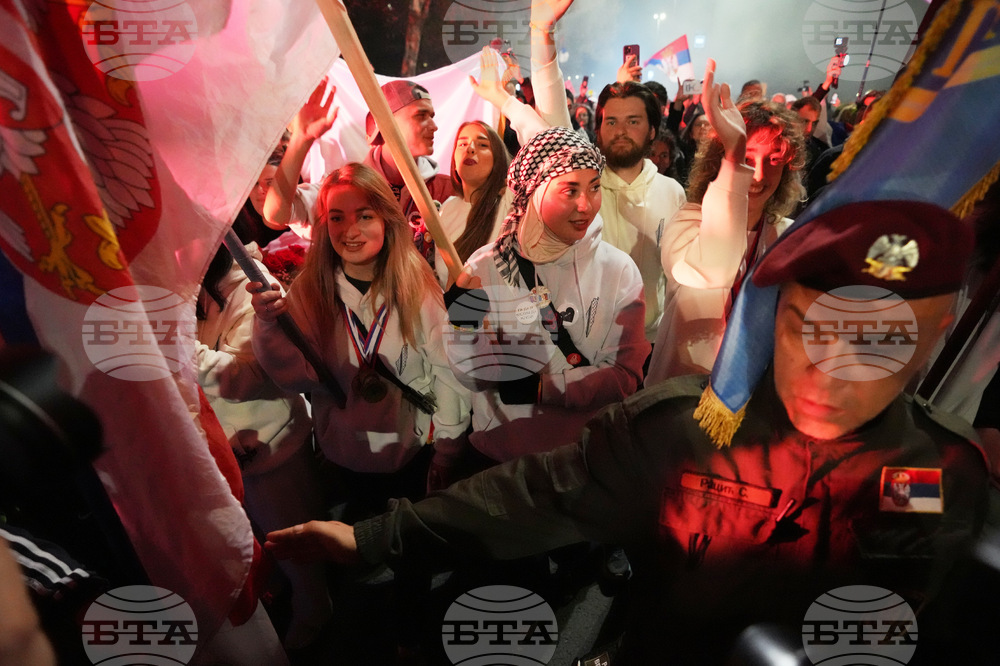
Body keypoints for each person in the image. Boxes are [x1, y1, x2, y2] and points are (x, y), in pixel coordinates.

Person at [265, 199, 990, 664]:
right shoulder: (679, 433)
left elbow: (909, 599)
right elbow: (533, 496)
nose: (832, 377)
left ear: (931, 344)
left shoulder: (936, 470)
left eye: (881, 346)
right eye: (810, 332)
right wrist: (371, 539)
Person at [250, 162, 471, 512]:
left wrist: (448, 447)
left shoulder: (415, 281)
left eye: (365, 216)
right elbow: (293, 374)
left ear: (386, 218)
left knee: (410, 544)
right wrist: (268, 323)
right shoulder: (311, 289)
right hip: (347, 453)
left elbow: (446, 369)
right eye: (336, 217)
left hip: (412, 450)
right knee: (364, 530)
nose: (350, 230)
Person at [442, 126, 649, 465]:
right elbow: (471, 377)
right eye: (570, 190)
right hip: (500, 457)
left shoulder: (618, 270)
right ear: (533, 192)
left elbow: (624, 376)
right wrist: (464, 327)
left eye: (594, 187)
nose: (586, 205)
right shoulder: (485, 267)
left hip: (583, 458)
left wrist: (543, 389)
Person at [647, 59, 805, 384]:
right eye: (748, 159)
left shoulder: (788, 237)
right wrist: (733, 155)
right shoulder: (689, 222)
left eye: (773, 159)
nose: (758, 175)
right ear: (721, 162)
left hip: (749, 393)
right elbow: (714, 269)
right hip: (680, 393)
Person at [262, 79, 455, 266]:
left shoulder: (446, 190)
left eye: (432, 116)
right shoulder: (346, 187)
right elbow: (276, 214)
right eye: (421, 116)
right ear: (385, 121)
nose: (434, 126)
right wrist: (300, 139)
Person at [594, 81, 686, 345]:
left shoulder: (672, 192)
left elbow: (677, 275)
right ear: (598, 130)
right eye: (611, 122)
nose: (620, 131)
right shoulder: (583, 190)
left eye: (633, 121)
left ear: (652, 131)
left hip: (653, 341)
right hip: (591, 342)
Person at [435, 120, 514, 287]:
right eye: (462, 144)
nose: (470, 148)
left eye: (483, 145)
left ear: (498, 159)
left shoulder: (510, 201)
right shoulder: (447, 208)